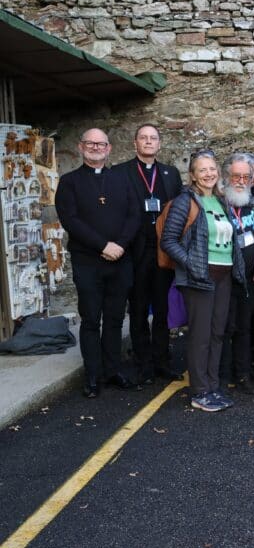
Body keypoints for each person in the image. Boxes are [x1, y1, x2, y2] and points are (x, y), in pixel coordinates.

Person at [55, 129, 142, 398]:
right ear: (81, 147)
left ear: (109, 148)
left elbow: (134, 214)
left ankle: (112, 369)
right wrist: (103, 246)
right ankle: (93, 375)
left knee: (115, 318)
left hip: (120, 260)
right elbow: (71, 220)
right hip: (88, 262)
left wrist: (120, 245)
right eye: (90, 143)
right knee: (91, 319)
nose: (96, 147)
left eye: (101, 143)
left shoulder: (122, 179)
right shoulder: (69, 182)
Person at [162, 151, 245, 412]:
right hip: (199, 277)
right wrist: (192, 264)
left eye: (212, 169)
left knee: (218, 332)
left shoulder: (221, 201)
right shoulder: (185, 202)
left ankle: (212, 385)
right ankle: (199, 391)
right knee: (200, 335)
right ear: (193, 176)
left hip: (224, 275)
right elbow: (168, 241)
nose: (209, 174)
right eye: (202, 170)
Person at [115, 124, 183, 383]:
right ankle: (143, 362)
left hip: (163, 250)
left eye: (152, 138)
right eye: (143, 138)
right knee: (139, 308)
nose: (148, 142)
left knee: (164, 309)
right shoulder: (120, 173)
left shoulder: (171, 173)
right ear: (135, 143)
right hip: (135, 250)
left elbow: (178, 210)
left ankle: (162, 361)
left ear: (159, 144)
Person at [219, 153, 254, 395]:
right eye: (236, 176)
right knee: (225, 328)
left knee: (245, 327)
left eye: (246, 176)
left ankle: (243, 374)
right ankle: (223, 376)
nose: (241, 181)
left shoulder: (253, 204)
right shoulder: (217, 204)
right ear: (226, 177)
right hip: (224, 277)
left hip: (250, 277)